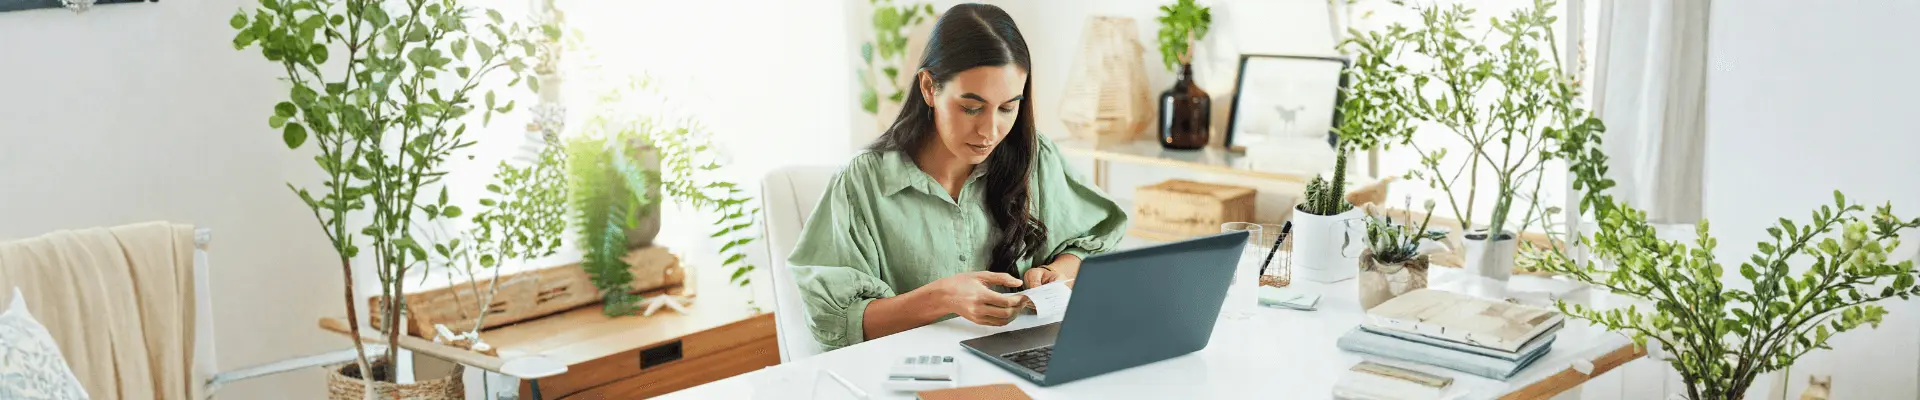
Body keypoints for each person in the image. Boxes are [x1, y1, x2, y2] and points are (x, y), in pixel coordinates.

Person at [788, 3, 1129, 350]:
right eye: (971, 108)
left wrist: (1059, 272)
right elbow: (834, 322)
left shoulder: (1035, 158)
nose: (990, 131)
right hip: (914, 373)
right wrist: (943, 298)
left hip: (1023, 361)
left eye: (1008, 108)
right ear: (928, 88)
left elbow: (1094, 241)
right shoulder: (862, 182)